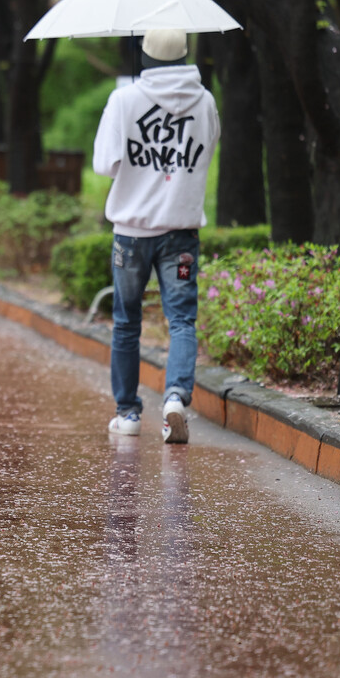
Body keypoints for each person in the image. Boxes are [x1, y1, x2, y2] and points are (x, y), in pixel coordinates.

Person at [94, 28, 220, 444]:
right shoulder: (205, 103)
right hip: (180, 231)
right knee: (181, 320)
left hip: (131, 232)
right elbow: (207, 151)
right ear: (184, 54)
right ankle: (176, 400)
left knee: (127, 322)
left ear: (144, 54)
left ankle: (128, 413)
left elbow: (105, 164)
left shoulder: (125, 99)